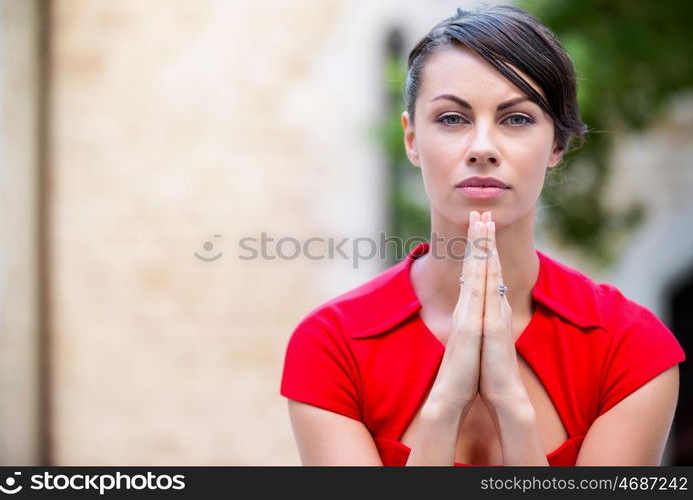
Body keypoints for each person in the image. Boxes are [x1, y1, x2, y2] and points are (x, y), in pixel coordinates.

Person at [279, 4, 686, 466]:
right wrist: (446, 401)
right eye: (453, 118)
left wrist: (512, 407)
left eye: (517, 119)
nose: (483, 149)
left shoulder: (630, 349)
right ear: (411, 139)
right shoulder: (332, 346)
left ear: (556, 144)